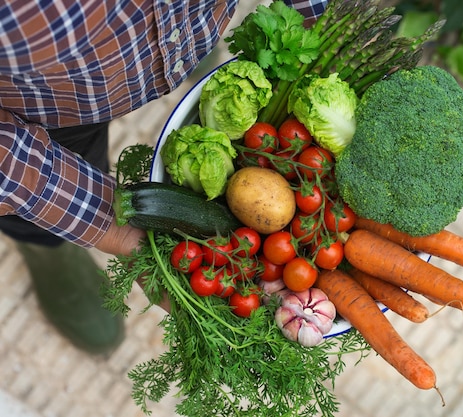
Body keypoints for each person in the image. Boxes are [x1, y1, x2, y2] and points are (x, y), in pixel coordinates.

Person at [0, 0, 328, 355]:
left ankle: (183, 47)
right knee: (67, 164)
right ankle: (46, 243)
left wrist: (312, 28)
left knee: (198, 48)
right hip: (51, 98)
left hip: (196, 16)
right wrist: (110, 227)